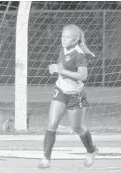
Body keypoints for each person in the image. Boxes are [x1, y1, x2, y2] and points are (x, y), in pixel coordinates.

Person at [38, 24, 98, 169]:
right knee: (52, 124)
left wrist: (63, 72)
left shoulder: (79, 55)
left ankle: (91, 150)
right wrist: (55, 68)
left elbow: (83, 76)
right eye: (62, 36)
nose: (63, 39)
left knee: (77, 128)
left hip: (75, 96)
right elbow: (61, 67)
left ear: (75, 40)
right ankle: (46, 158)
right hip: (60, 91)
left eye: (67, 38)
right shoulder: (63, 49)